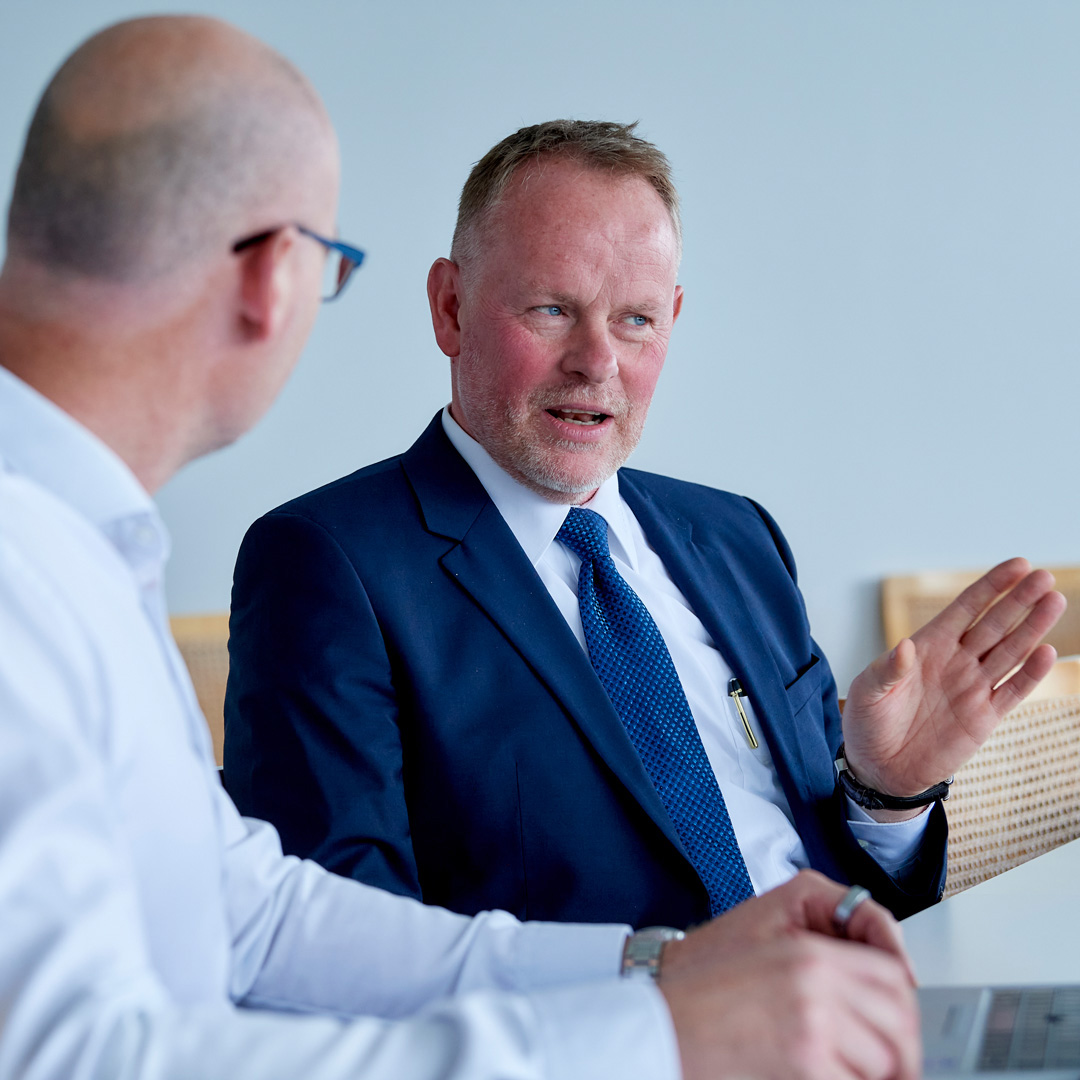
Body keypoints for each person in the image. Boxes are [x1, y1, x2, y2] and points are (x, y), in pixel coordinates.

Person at [0, 17, 933, 1080]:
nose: (597, 360)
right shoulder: (38, 573)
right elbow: (69, 1059)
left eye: (635, 320)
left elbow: (259, 919)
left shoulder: (79, 548)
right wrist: (660, 1040)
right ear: (274, 277)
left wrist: (656, 973)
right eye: (332, 264)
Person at [225, 119, 1065, 930]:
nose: (598, 361)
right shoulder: (327, 564)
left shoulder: (739, 537)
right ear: (450, 308)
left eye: (636, 319)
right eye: (552, 309)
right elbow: (337, 938)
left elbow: (851, 885)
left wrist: (888, 793)